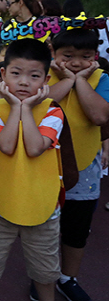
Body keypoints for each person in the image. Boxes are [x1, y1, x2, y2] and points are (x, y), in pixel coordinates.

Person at [0, 39, 68, 301]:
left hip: (43, 205)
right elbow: (6, 145)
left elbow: (34, 147)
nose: (23, 82)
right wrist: (18, 107)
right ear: (3, 74)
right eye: (16, 73)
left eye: (33, 76)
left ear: (46, 79)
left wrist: (24, 108)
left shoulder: (53, 112)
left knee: (45, 272)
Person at [42, 26, 109, 300]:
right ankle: (43, 277)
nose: (77, 62)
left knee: (76, 228)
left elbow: (99, 116)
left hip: (84, 168)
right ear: (54, 53)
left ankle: (67, 278)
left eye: (85, 56)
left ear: (95, 55)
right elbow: (38, 105)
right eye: (68, 55)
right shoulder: (43, 75)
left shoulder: (101, 78)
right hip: (43, 165)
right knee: (43, 228)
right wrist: (68, 80)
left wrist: (79, 80)